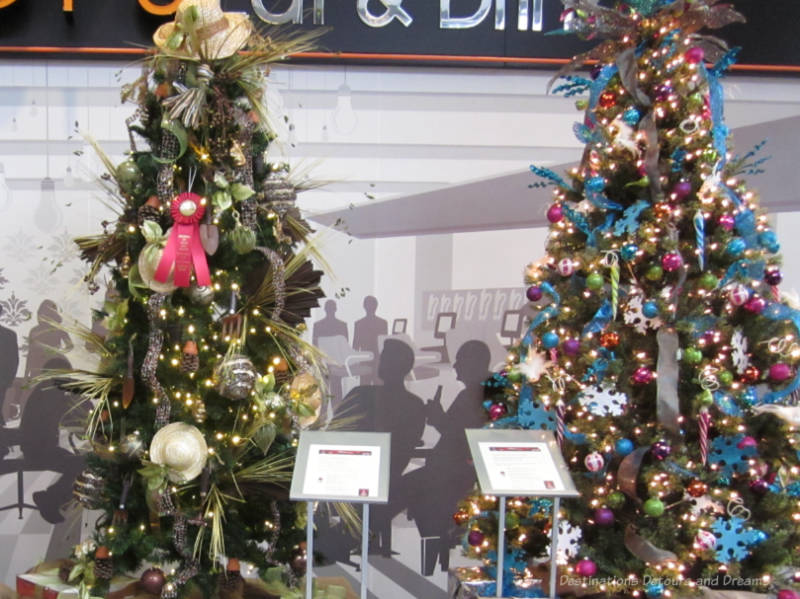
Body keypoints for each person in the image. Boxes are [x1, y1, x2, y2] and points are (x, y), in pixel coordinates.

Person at [327, 338, 425, 557]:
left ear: (389, 365)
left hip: (357, 478)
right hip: (389, 480)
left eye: (383, 359)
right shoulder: (416, 406)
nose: (379, 363)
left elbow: (333, 432)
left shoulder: (361, 394)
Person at [406, 340, 491, 574]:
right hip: (449, 470)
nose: (455, 366)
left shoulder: (478, 394)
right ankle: (437, 544)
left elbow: (460, 437)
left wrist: (437, 417)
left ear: (475, 363)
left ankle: (436, 547)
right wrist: (439, 418)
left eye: (461, 360)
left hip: (458, 475)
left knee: (408, 488)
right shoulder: (476, 391)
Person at [20, 357, 85, 524]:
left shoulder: (46, 390)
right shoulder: (50, 393)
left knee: (79, 462)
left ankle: (51, 497)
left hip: (38, 447)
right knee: (80, 464)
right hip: (39, 449)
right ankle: (50, 499)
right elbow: (68, 414)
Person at [353, 296, 388, 385]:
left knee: (365, 388)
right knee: (379, 390)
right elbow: (385, 346)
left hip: (365, 360)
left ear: (364, 306)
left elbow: (355, 346)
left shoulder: (358, 324)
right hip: (378, 360)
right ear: (376, 306)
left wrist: (355, 364)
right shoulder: (383, 323)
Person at [0, 306, 18, 427]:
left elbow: (13, 360)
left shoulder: (9, 335)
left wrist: (7, 380)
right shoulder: (9, 334)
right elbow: (14, 360)